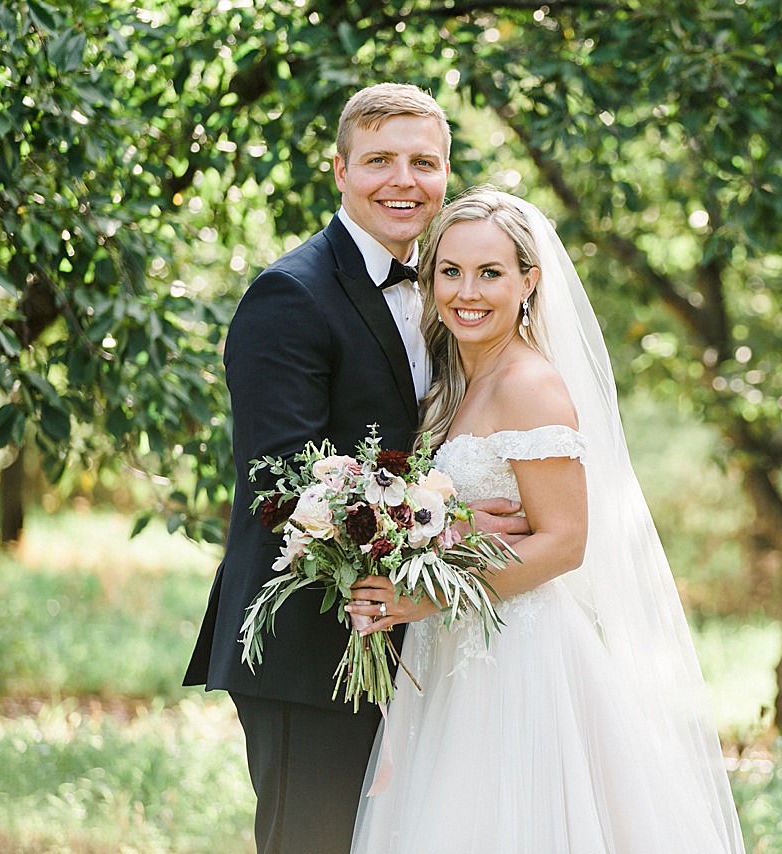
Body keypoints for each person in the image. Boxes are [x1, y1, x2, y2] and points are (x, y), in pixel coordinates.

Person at [344, 189, 747, 853]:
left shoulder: (528, 384)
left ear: (530, 282)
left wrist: (424, 595)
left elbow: (566, 543)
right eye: (451, 271)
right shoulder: (460, 380)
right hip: (455, 646)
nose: (467, 292)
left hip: (515, 654)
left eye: (491, 273)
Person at [182, 85, 527, 854]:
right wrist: (456, 530)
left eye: (423, 162)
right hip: (313, 652)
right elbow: (281, 487)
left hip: (410, 638)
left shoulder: (446, 290)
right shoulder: (289, 296)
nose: (403, 181)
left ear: (446, 173)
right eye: (379, 161)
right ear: (339, 170)